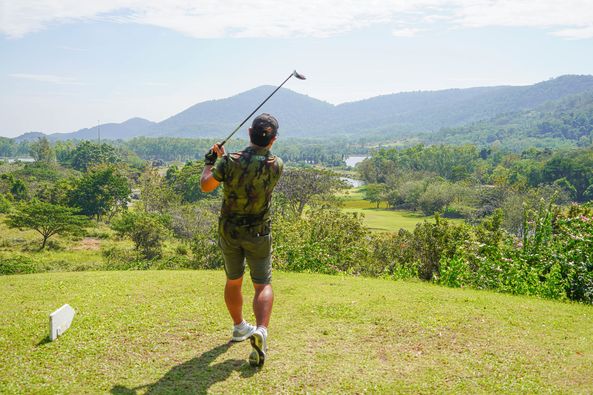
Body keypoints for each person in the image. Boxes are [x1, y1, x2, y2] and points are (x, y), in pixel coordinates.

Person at [200, 113, 283, 367]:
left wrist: (210, 161)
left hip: (230, 231)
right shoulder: (276, 165)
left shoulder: (229, 162)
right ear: (273, 139)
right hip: (259, 231)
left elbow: (206, 185)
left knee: (234, 281)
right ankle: (261, 330)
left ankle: (239, 327)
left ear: (249, 133)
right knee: (262, 284)